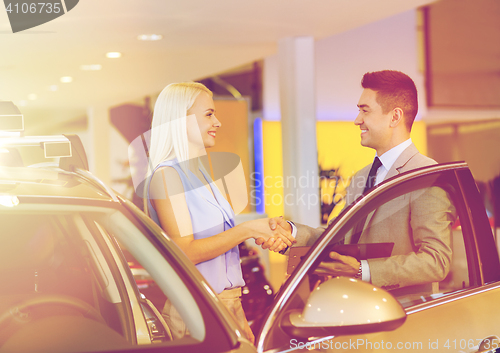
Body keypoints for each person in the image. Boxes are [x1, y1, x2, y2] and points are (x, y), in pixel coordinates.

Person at [266, 70, 455, 295]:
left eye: (365, 111)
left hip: (404, 317)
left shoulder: (425, 175)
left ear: (395, 117)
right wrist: (291, 232)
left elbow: (436, 261)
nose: (357, 120)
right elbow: (336, 238)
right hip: (357, 309)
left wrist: (362, 270)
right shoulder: (361, 177)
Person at [144, 82, 295, 344]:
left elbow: (221, 238)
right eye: (209, 114)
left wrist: (262, 231)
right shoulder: (167, 176)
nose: (218, 122)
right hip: (198, 312)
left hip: (229, 305)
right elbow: (186, 251)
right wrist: (246, 230)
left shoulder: (200, 174)